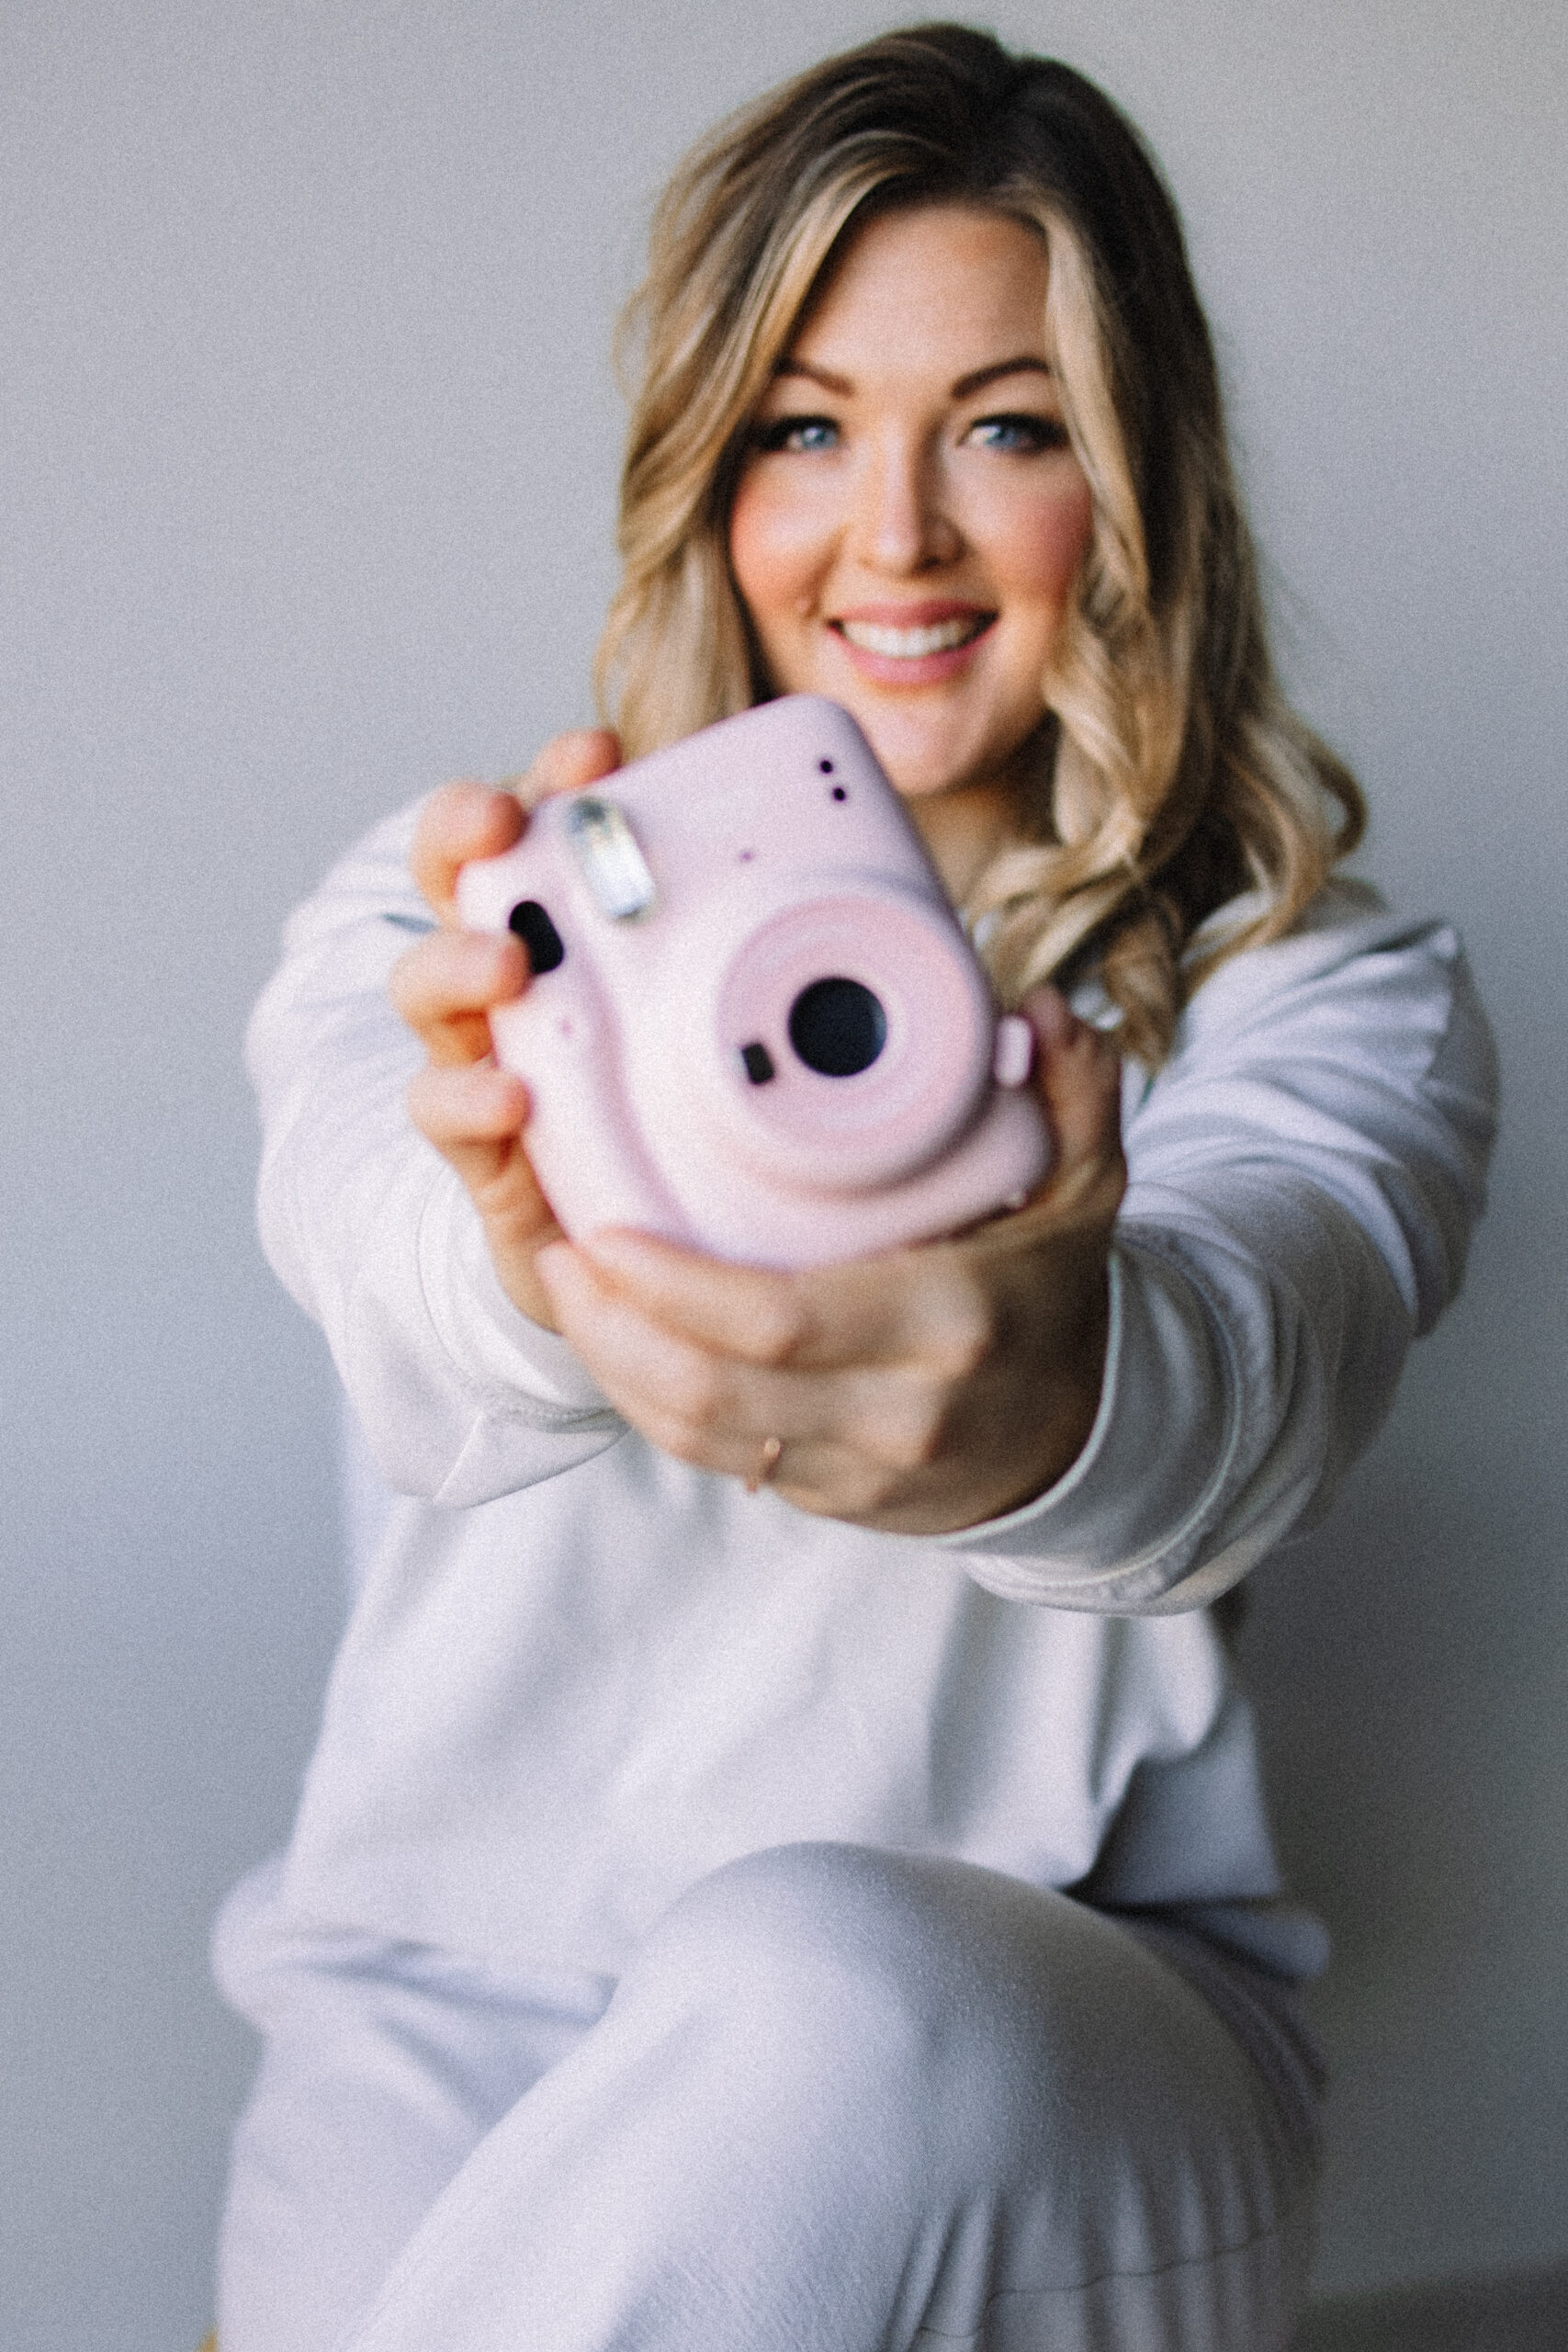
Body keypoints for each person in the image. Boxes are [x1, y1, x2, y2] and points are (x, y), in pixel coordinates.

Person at [213, 25, 1497, 2352]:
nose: (888, 537)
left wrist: (1050, 1386)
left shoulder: (1305, 997)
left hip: (1050, 2032)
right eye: (803, 426)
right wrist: (528, 1240)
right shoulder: (467, 927)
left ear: (1130, 479)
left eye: (1002, 427)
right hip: (442, 2004)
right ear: (710, 477)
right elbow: (387, 1269)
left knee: (809, 1960)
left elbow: (1255, 1351)